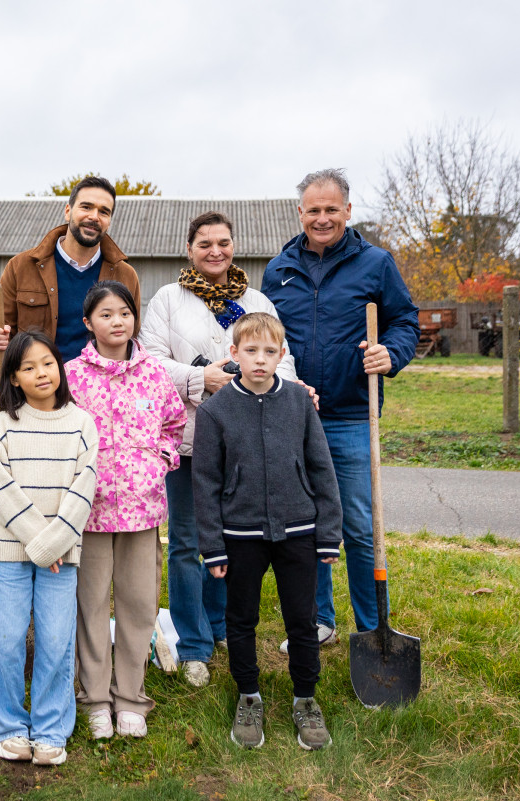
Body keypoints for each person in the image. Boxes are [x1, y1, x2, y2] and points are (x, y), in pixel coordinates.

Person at [139, 211, 301, 687]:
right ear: (189, 249)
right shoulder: (168, 300)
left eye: (223, 242)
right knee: (189, 541)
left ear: (234, 246)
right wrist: (199, 378)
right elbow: (149, 360)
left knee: (231, 539)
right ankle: (193, 644)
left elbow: (282, 359)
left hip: (244, 442)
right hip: (187, 440)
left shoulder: (256, 302)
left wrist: (269, 386)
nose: (215, 251)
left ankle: (220, 625)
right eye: (205, 243)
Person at [261, 169, 419, 648]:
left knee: (358, 526)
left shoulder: (376, 264)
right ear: (301, 212)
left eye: (332, 209)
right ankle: (318, 621)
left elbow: (405, 321)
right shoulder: (279, 269)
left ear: (348, 211)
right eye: (314, 210)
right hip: (294, 414)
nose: (323, 218)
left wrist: (391, 352)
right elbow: (264, 339)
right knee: (306, 525)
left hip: (353, 415)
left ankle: (372, 627)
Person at [191, 312, 342, 751]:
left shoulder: (298, 403)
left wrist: (328, 533)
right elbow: (205, 483)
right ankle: (248, 695)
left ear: (281, 355)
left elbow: (321, 469)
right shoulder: (216, 411)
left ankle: (305, 699)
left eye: (269, 352)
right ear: (233, 354)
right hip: (240, 536)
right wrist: (213, 547)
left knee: (302, 618)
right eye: (250, 351)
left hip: (299, 532)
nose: (260, 360)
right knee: (241, 618)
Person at [64, 281, 186, 740]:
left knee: (138, 605)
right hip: (89, 513)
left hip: (143, 510)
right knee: (90, 604)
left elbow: (174, 424)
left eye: (125, 314)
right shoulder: (71, 375)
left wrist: (160, 460)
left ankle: (131, 697)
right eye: (106, 315)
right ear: (88, 323)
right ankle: (95, 697)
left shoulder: (154, 374)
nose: (117, 322)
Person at [0, 330, 98, 767]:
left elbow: (83, 489)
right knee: (7, 638)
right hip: (11, 552)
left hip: (62, 557)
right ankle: (9, 727)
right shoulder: (4, 424)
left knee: (55, 639)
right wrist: (41, 544)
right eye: (28, 367)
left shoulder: (81, 423)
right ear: (14, 378)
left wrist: (53, 545)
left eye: (47, 362)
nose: (40, 373)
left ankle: (50, 730)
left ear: (59, 366)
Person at [0, 176, 141, 365]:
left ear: (109, 221)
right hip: (37, 388)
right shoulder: (21, 267)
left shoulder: (126, 275)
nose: (94, 217)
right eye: (86, 207)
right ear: (68, 211)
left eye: (104, 212)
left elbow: (132, 339)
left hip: (101, 391)